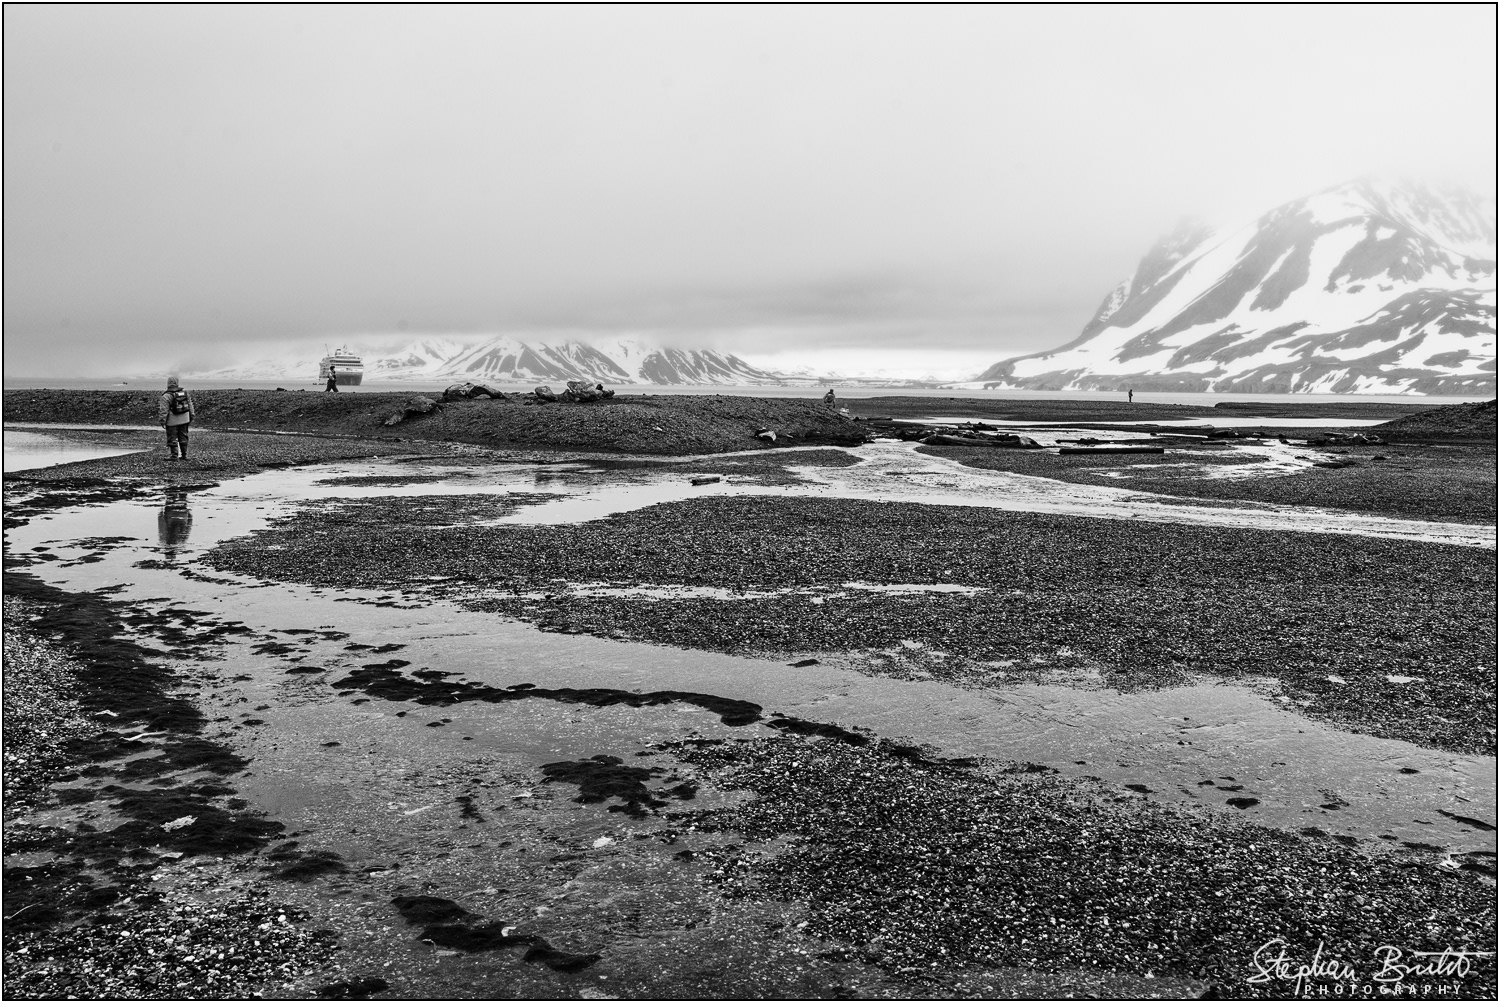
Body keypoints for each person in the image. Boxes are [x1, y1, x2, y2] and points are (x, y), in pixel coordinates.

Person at [158, 376, 196, 461]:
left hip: (172, 420)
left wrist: (162, 421)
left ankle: (174, 456)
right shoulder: (185, 393)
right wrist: (191, 416)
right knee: (183, 436)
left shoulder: (166, 396)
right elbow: (190, 406)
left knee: (172, 437)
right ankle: (184, 455)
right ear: (177, 382)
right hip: (185, 418)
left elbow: (164, 410)